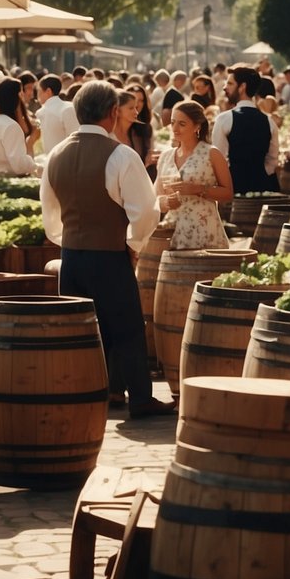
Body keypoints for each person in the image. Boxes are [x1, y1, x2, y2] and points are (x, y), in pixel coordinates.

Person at [40, 80, 171, 417]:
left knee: (81, 330)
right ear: (113, 113)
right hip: (110, 254)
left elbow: (50, 212)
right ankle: (139, 398)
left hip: (71, 255)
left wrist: (67, 239)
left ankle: (94, 393)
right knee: (126, 327)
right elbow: (144, 211)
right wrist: (133, 244)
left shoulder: (55, 154)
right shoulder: (121, 155)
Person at [155, 100, 232, 251]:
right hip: (172, 233)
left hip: (204, 233)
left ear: (197, 126)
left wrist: (197, 189)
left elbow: (228, 194)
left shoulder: (211, 153)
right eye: (172, 122)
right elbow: (155, 198)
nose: (175, 128)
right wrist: (165, 202)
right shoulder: (166, 157)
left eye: (182, 124)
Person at [212, 64, 280, 193]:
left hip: (233, 190)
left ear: (242, 87)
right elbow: (272, 161)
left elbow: (218, 160)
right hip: (261, 189)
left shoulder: (224, 119)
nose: (225, 87)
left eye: (230, 83)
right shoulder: (269, 122)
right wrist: (258, 175)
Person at [0, 78, 39, 178]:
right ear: (16, 97)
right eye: (21, 94)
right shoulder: (11, 126)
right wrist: (37, 166)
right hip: (8, 182)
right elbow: (19, 165)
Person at [35, 74, 78, 154]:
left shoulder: (41, 113)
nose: (37, 95)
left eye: (39, 91)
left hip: (54, 160)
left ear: (48, 91)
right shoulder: (69, 107)